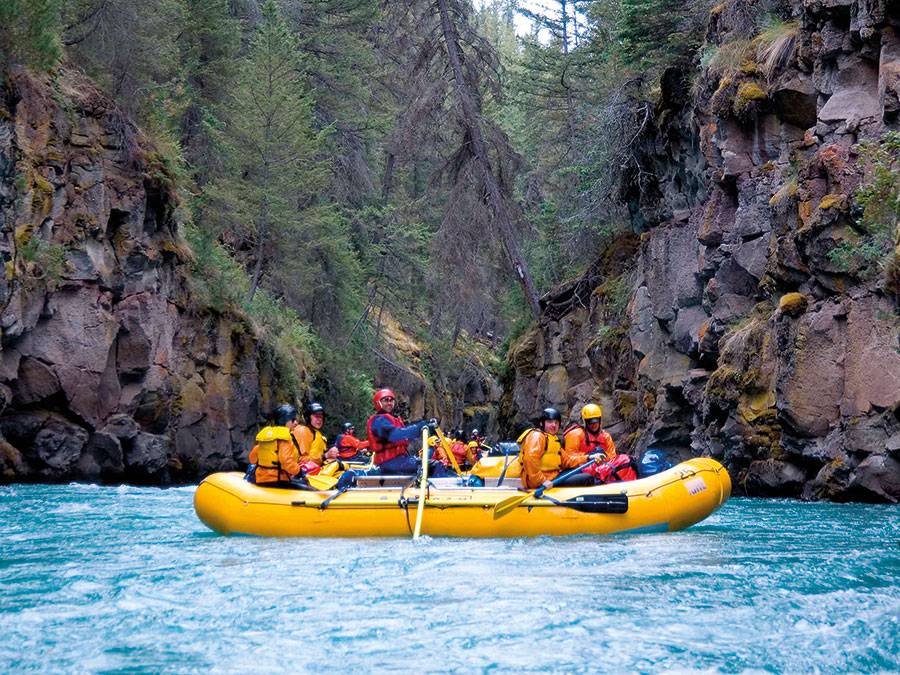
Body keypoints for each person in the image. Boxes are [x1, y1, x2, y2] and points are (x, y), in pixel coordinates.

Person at [366, 388, 451, 476]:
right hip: (390, 463)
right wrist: (420, 426)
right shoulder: (378, 420)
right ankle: (438, 488)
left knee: (429, 464)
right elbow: (395, 435)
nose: (389, 403)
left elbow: (405, 434)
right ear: (378, 402)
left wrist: (423, 426)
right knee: (435, 465)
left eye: (391, 400)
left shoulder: (390, 420)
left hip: (398, 460)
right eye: (385, 400)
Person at [247, 403, 303, 485]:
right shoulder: (285, 439)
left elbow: (252, 458)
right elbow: (286, 461)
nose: (296, 423)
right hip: (278, 481)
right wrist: (299, 472)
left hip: (261, 479)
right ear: (284, 420)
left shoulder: (267, 437)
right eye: (293, 420)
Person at [517, 407, 564, 490]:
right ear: (542, 423)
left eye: (556, 422)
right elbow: (529, 459)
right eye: (550, 422)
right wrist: (542, 481)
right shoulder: (537, 436)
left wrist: (588, 458)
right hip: (538, 482)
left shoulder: (552, 439)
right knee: (586, 478)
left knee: (579, 473)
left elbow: (567, 460)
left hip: (552, 476)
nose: (554, 425)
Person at [293, 402, 338, 471]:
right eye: (316, 416)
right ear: (308, 417)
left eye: (321, 417)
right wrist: (325, 456)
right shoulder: (303, 431)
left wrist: (329, 455)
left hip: (315, 470)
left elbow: (319, 456)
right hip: (302, 474)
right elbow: (301, 460)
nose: (320, 419)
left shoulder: (316, 433)